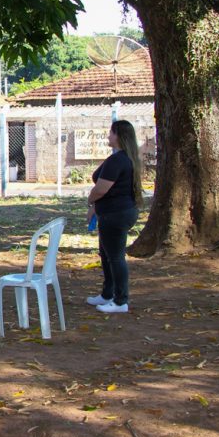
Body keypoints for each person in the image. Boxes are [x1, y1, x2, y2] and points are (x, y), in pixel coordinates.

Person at [85, 120, 144, 313]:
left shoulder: (118, 160)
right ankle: (107, 294)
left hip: (116, 215)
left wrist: (91, 200)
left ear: (119, 136)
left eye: (111, 133)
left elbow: (102, 188)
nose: (108, 136)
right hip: (112, 213)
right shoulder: (123, 158)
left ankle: (120, 301)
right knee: (106, 255)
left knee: (116, 257)